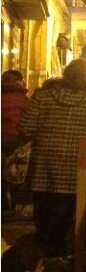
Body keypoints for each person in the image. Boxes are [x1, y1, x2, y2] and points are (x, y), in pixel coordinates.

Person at [19, 59, 86, 257]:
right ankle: (66, 256)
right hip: (82, 170)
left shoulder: (43, 96)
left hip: (44, 168)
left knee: (46, 213)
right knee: (74, 215)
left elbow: (26, 127)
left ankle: (46, 252)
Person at [2, 70, 29, 213]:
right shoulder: (22, 99)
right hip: (16, 138)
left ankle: (3, 205)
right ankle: (15, 204)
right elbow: (28, 119)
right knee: (15, 171)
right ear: (19, 81)